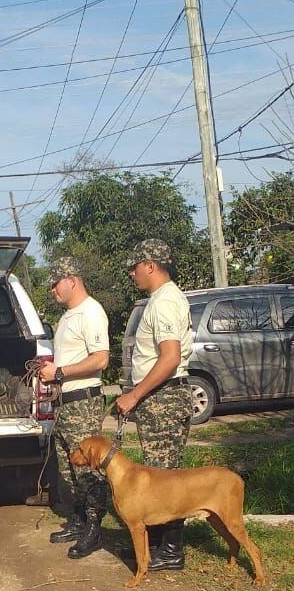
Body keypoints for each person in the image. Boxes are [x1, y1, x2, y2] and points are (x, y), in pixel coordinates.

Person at [116, 239, 193, 571]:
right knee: (162, 472)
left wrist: (134, 394)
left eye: (134, 268)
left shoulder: (163, 302)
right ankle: (161, 544)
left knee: (164, 477)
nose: (133, 274)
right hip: (161, 397)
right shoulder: (163, 298)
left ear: (149, 264)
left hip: (163, 398)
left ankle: (170, 550)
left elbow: (170, 358)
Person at [38, 257, 110, 559]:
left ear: (71, 280)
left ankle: (94, 530)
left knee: (89, 472)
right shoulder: (69, 315)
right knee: (69, 470)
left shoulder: (91, 312)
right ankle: (78, 521)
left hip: (84, 402)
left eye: (55, 284)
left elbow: (100, 359)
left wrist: (59, 372)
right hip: (67, 403)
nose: (52, 290)